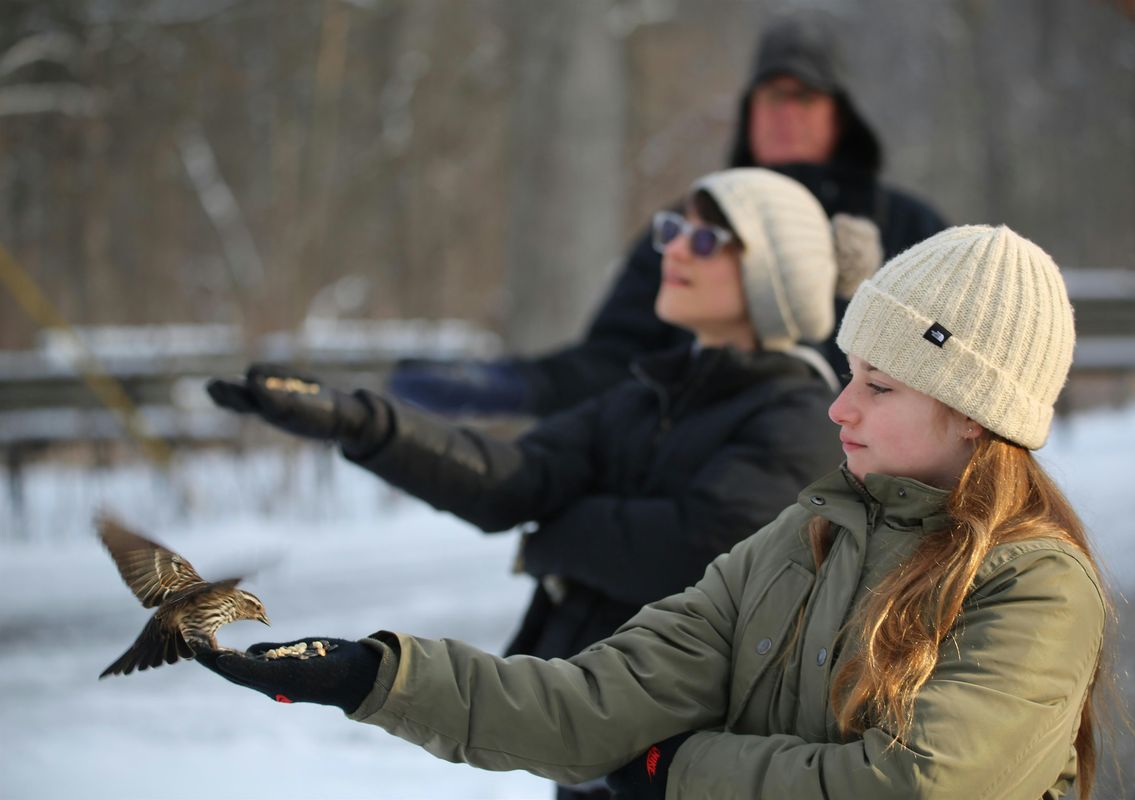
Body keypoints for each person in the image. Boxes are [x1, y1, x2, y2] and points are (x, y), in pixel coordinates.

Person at [197, 224, 1111, 799]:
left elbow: (925, 787)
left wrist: (677, 772)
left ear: (970, 412)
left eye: (878, 384)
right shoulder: (805, 535)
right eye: (848, 376)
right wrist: (377, 676)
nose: (842, 407)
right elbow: (598, 698)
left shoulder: (1036, 584)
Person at [205, 168, 881, 799]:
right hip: (590, 725)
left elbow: (690, 549)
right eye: (672, 231)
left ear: (774, 277)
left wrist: (557, 532)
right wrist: (360, 423)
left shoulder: (799, 417)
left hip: (688, 753)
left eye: (705, 239)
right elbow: (516, 480)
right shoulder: (649, 394)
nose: (674, 250)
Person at [389, 16, 947, 417]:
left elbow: (947, 368)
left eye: (802, 96)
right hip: (712, 473)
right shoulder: (691, 226)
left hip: (865, 496)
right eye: (767, 97)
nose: (782, 114)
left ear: (841, 113)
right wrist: (521, 385)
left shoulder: (908, 230)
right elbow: (615, 358)